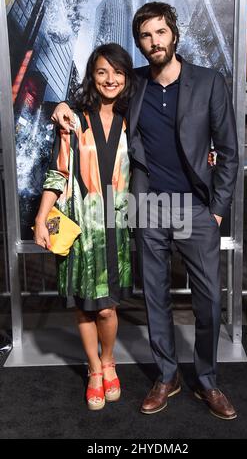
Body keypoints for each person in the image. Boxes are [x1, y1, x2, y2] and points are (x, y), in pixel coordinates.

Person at [52, 2, 239, 420]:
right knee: (156, 300)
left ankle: (207, 380)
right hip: (148, 205)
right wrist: (60, 107)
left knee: (208, 302)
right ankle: (167, 375)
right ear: (139, 43)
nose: (154, 42)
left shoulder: (209, 83)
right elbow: (96, 91)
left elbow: (228, 152)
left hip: (195, 207)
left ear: (174, 34)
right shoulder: (133, 83)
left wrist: (217, 211)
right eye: (145, 36)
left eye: (160, 33)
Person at [34, 43, 135, 411]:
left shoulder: (132, 119)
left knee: (107, 308)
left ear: (127, 77)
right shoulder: (74, 119)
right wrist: (41, 218)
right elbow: (58, 172)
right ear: (93, 75)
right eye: (103, 72)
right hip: (80, 226)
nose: (111, 79)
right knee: (83, 307)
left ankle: (109, 361)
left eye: (118, 72)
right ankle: (95, 370)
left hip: (117, 227)